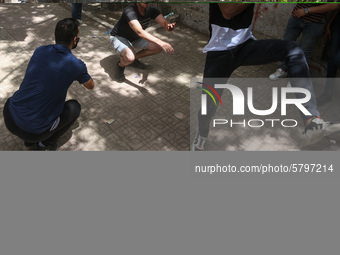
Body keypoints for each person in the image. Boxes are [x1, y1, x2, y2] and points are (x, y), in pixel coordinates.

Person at [192, 3, 340, 151]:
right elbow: (228, 11)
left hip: (245, 45)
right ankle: (202, 134)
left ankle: (311, 120)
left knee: (294, 51)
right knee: (208, 105)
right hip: (219, 53)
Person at [3, 18, 94, 151]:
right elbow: (91, 85)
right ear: (75, 40)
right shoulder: (76, 65)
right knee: (74, 107)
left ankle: (28, 142)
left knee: (26, 100)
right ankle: (43, 144)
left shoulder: (40, 50)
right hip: (35, 131)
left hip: (10, 117)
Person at [269, 3, 340, 80]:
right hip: (297, 16)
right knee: (286, 45)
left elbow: (335, 5)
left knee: (304, 52)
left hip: (314, 22)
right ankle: (283, 69)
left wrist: (306, 10)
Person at [110, 2, 175, 82]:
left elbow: (164, 23)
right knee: (130, 57)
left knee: (157, 47)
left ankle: (133, 60)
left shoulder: (151, 10)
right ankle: (120, 65)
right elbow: (139, 32)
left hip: (135, 38)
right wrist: (161, 42)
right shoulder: (130, 10)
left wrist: (168, 26)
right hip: (119, 37)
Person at [317, 9, 340, 106]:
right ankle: (327, 93)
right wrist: (329, 24)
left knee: (336, 59)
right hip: (338, 24)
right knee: (332, 60)